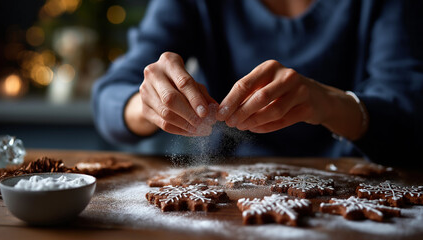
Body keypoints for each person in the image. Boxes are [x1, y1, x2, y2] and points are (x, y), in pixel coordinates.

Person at [92, 0, 423, 165]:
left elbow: (409, 115)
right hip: (228, 187)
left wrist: (330, 104)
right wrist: (148, 103)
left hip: (357, 178)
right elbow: (109, 95)